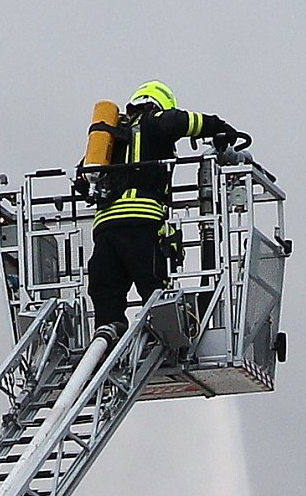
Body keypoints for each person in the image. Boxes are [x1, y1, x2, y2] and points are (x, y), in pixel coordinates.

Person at [84, 80, 236, 339]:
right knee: (154, 285)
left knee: (106, 288)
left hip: (106, 226)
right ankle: (162, 333)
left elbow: (85, 175)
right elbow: (179, 122)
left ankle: (109, 332)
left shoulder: (109, 138)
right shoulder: (154, 121)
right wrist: (217, 126)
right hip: (142, 220)